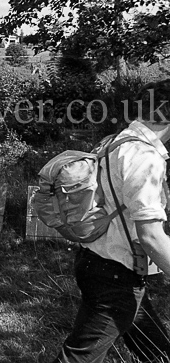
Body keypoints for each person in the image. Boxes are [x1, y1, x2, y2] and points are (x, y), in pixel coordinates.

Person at [53, 80, 170, 362]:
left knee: (156, 351)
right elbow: (151, 235)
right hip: (115, 277)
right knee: (80, 357)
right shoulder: (145, 157)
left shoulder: (115, 141)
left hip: (97, 262)